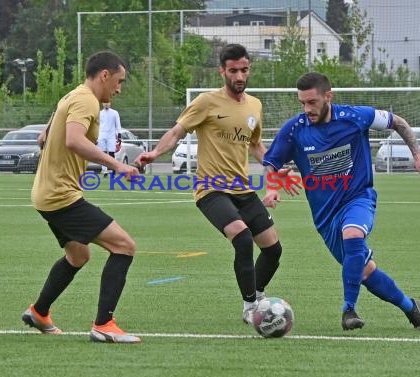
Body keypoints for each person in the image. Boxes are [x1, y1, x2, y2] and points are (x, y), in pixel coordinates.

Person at [262, 72, 420, 331]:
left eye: (312, 102)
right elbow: (270, 163)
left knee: (353, 233)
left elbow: (398, 123)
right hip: (325, 217)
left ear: (328, 97)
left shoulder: (355, 117)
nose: (307, 109)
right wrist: (273, 187)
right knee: (365, 272)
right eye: (302, 103)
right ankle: (411, 308)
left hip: (358, 198)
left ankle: (348, 310)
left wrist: (419, 156)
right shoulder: (295, 129)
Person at [135, 44, 284, 324]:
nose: (239, 76)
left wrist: (274, 176)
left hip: (243, 190)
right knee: (242, 237)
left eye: (244, 70)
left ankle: (258, 294)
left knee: (273, 249)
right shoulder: (206, 102)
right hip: (211, 189)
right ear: (222, 71)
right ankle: (250, 306)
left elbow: (257, 146)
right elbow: (178, 131)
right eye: (233, 71)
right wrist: (156, 153)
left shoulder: (255, 105)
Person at [24, 51, 141, 343]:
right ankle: (104, 325)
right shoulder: (86, 100)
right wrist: (117, 165)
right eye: (118, 81)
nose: (119, 89)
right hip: (60, 196)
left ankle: (39, 312)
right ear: (104, 75)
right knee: (124, 246)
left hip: (45, 192)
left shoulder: (71, 96)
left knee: (78, 254)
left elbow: (45, 135)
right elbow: (73, 140)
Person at [97, 102, 122, 176]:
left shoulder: (114, 113)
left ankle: (113, 169)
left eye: (107, 103)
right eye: (105, 103)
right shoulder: (100, 113)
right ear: (102, 104)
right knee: (103, 153)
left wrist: (119, 135)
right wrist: (96, 136)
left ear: (110, 103)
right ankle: (104, 171)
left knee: (111, 153)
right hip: (101, 134)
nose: (106, 104)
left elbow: (118, 124)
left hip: (111, 135)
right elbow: (97, 125)